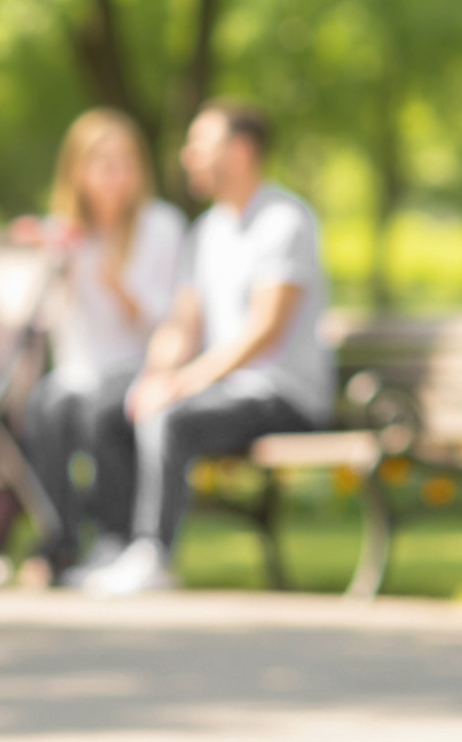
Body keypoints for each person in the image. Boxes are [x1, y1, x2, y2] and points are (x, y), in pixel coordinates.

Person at [82, 100, 334, 597]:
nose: (188, 155)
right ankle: (115, 546)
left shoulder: (285, 221)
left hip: (283, 395)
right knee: (114, 409)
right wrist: (157, 374)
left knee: (170, 416)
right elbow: (183, 323)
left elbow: (266, 330)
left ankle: (154, 553)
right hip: (228, 392)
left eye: (201, 144)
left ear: (240, 152)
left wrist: (187, 382)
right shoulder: (207, 232)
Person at [14, 110, 185, 583]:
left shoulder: (161, 226)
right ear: (78, 170)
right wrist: (46, 262)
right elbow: (46, 320)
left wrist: (112, 275)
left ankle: (116, 536)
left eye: (125, 162)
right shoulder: (66, 230)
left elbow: (166, 319)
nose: (115, 175)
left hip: (138, 363)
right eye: (102, 163)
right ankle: (60, 540)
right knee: (42, 411)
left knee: (100, 409)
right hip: (79, 367)